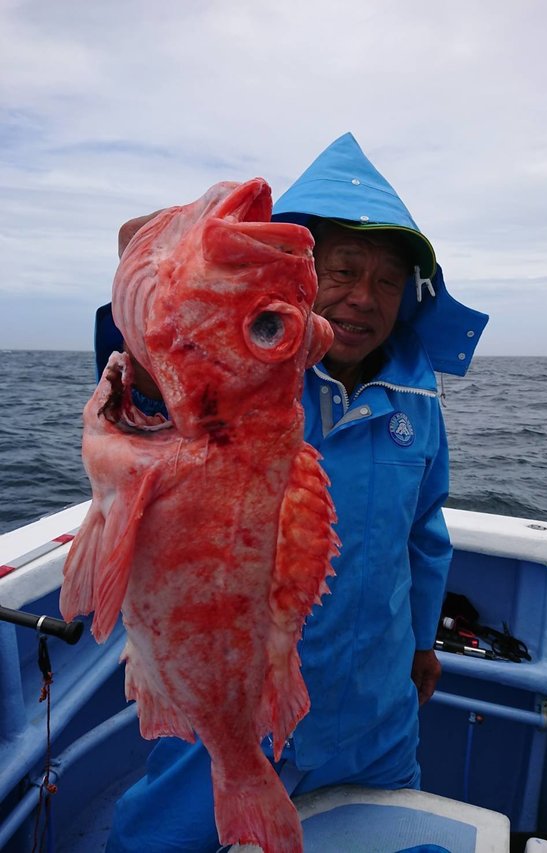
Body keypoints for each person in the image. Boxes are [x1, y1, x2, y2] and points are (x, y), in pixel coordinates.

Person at [99, 132, 489, 852]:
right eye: (342, 270)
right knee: (170, 833)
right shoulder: (247, 369)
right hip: (236, 693)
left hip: (377, 706)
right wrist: (181, 263)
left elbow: (425, 534)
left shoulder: (419, 396)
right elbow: (153, 381)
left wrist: (423, 642)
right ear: (301, 272)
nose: (363, 297)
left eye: (386, 280)